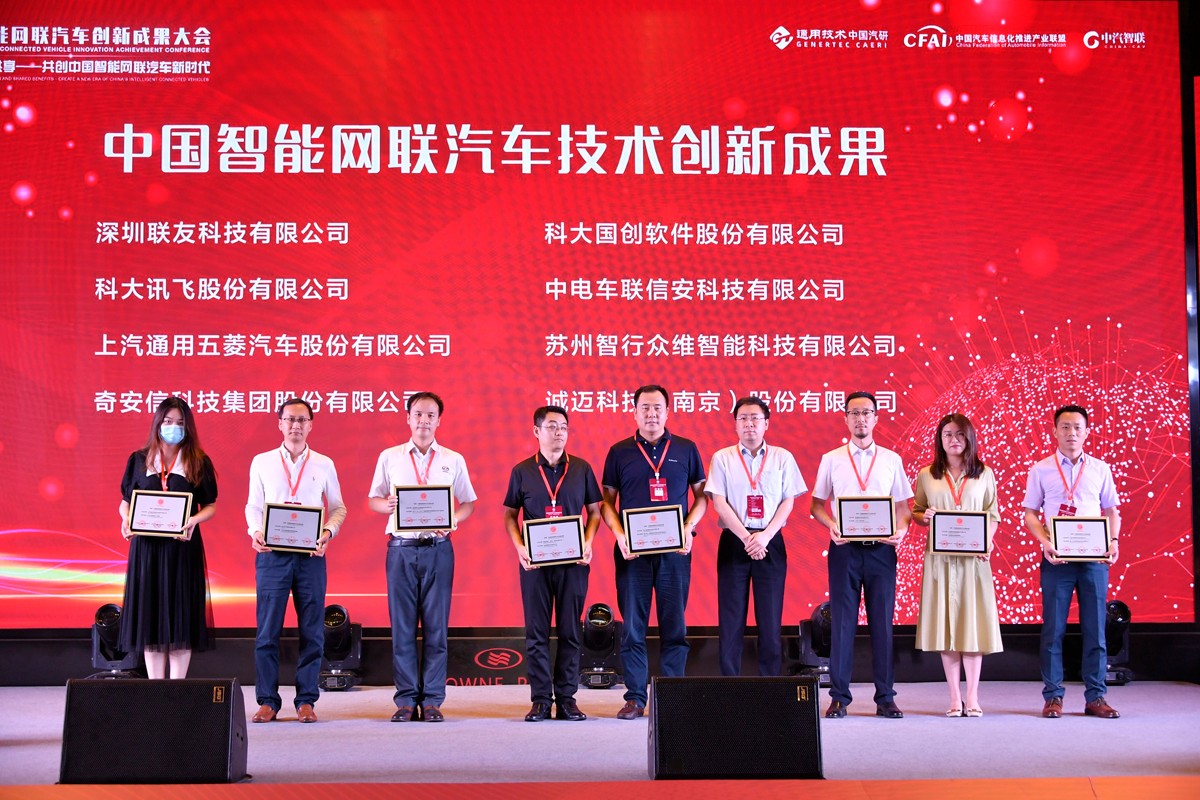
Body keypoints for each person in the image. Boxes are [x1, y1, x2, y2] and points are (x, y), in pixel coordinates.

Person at [369, 392, 477, 722]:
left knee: (436, 629)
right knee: (402, 628)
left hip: (438, 550)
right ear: (408, 418)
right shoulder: (390, 456)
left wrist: (453, 520)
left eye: (430, 415)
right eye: (418, 414)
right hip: (401, 549)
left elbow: (468, 502)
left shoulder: (453, 459)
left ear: (439, 420)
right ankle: (405, 700)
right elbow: (374, 499)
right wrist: (386, 505)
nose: (424, 420)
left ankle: (432, 700)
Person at [601, 384, 707, 720]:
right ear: (634, 412)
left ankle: (672, 695)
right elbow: (606, 503)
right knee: (634, 627)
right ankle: (635, 697)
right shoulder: (619, 452)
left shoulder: (686, 449)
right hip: (632, 554)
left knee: (674, 625)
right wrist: (620, 535)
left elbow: (702, 497)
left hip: (675, 552)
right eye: (645, 408)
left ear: (668, 411)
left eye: (657, 407)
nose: (651, 414)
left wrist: (689, 527)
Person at [810, 391, 913, 719]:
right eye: (854, 413)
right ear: (845, 418)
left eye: (866, 413)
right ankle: (839, 697)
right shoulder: (832, 458)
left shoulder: (891, 459)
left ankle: (886, 697)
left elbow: (904, 508)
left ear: (876, 418)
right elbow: (816, 505)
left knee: (882, 623)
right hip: (845, 551)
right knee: (842, 624)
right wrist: (831, 525)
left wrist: (902, 530)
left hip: (882, 551)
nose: (860, 419)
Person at [245, 398, 347, 724]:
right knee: (267, 632)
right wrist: (255, 530)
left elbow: (338, 507)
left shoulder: (324, 464)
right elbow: (253, 506)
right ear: (280, 424)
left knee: (313, 631)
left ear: (311, 425)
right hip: (272, 556)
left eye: (302, 420)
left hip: (310, 557)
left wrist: (327, 532)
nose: (295, 425)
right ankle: (267, 701)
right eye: (289, 419)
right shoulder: (262, 462)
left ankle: (306, 701)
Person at [502, 406, 603, 722]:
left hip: (573, 563)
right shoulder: (522, 471)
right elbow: (510, 515)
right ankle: (541, 700)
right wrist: (520, 547)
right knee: (537, 632)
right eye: (551, 426)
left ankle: (568, 699)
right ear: (537, 431)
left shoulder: (582, 468)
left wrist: (588, 541)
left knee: (571, 631)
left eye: (563, 427)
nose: (559, 432)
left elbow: (595, 511)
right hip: (535, 564)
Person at [1022, 405, 1122, 719]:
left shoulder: (1100, 469)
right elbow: (1030, 514)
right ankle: (1053, 696)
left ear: (1087, 432)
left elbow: (1112, 511)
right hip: (1057, 560)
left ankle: (1096, 697)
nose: (1071, 433)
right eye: (1065, 427)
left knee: (1096, 630)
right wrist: (1045, 542)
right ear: (1054, 431)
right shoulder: (1041, 469)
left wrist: (1114, 541)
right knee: (1053, 630)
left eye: (1077, 427)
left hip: (1094, 561)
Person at [705, 396, 807, 676]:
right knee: (731, 618)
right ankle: (730, 683)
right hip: (734, 541)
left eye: (755, 418)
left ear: (766, 424)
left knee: (770, 619)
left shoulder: (782, 457)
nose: (749, 424)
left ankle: (770, 684)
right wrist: (747, 538)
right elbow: (719, 503)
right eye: (743, 418)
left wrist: (764, 537)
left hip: (770, 542)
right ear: (735, 424)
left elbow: (788, 501)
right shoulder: (722, 458)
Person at [117, 396, 217, 679]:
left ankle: (176, 691)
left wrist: (193, 520)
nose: (173, 427)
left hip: (182, 550)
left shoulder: (198, 461)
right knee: (151, 621)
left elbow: (210, 505)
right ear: (158, 423)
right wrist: (126, 519)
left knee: (181, 621)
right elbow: (125, 502)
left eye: (180, 423)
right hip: (147, 551)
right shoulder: (139, 459)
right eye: (168, 421)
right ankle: (156, 691)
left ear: (188, 427)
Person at [912, 413, 1002, 717]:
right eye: (947, 434)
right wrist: (924, 516)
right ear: (940, 439)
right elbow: (917, 511)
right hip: (940, 562)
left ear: (969, 438)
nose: (954, 440)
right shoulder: (927, 474)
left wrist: (987, 541)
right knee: (946, 627)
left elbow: (993, 514)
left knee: (972, 626)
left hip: (974, 562)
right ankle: (953, 697)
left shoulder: (984, 474)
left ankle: (973, 697)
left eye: (960, 434)